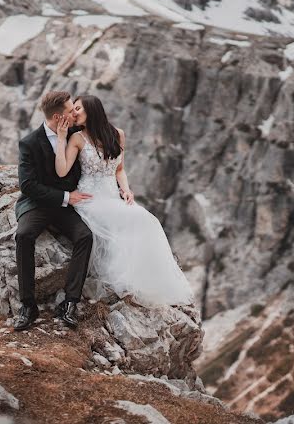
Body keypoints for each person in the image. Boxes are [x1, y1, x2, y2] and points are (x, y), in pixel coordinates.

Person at [53, 94, 194, 307]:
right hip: (90, 198)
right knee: (131, 221)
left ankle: (146, 280)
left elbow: (119, 169)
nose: (73, 113)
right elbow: (62, 171)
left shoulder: (118, 135)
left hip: (112, 196)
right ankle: (120, 281)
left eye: (78, 109)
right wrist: (62, 138)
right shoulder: (77, 138)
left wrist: (126, 190)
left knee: (147, 220)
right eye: (73, 110)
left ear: (92, 110)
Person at [13, 90, 94, 331]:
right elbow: (27, 185)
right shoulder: (29, 143)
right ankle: (28, 305)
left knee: (85, 237)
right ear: (58, 117)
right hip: (38, 204)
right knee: (23, 236)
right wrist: (66, 197)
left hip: (66, 207)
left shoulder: (76, 134)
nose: (75, 113)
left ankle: (70, 302)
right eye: (70, 111)